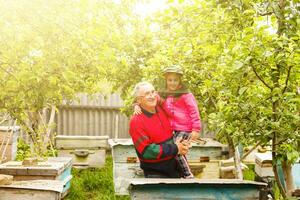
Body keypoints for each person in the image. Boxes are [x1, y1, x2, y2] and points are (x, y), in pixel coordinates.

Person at [134, 65, 202, 178]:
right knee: (178, 150)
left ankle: (188, 175)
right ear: (166, 80)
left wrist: (196, 129)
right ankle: (181, 174)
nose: (172, 83)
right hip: (173, 129)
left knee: (176, 149)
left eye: (175, 80)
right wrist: (137, 105)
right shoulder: (164, 94)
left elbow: (194, 111)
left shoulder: (186, 95)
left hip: (185, 128)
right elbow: (149, 99)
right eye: (170, 80)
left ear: (180, 80)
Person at [129, 81, 190, 178]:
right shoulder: (136, 121)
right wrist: (176, 148)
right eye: (147, 94)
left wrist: (183, 144)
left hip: (174, 167)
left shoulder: (161, 108)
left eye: (153, 92)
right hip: (157, 173)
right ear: (139, 100)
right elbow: (147, 151)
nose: (152, 96)